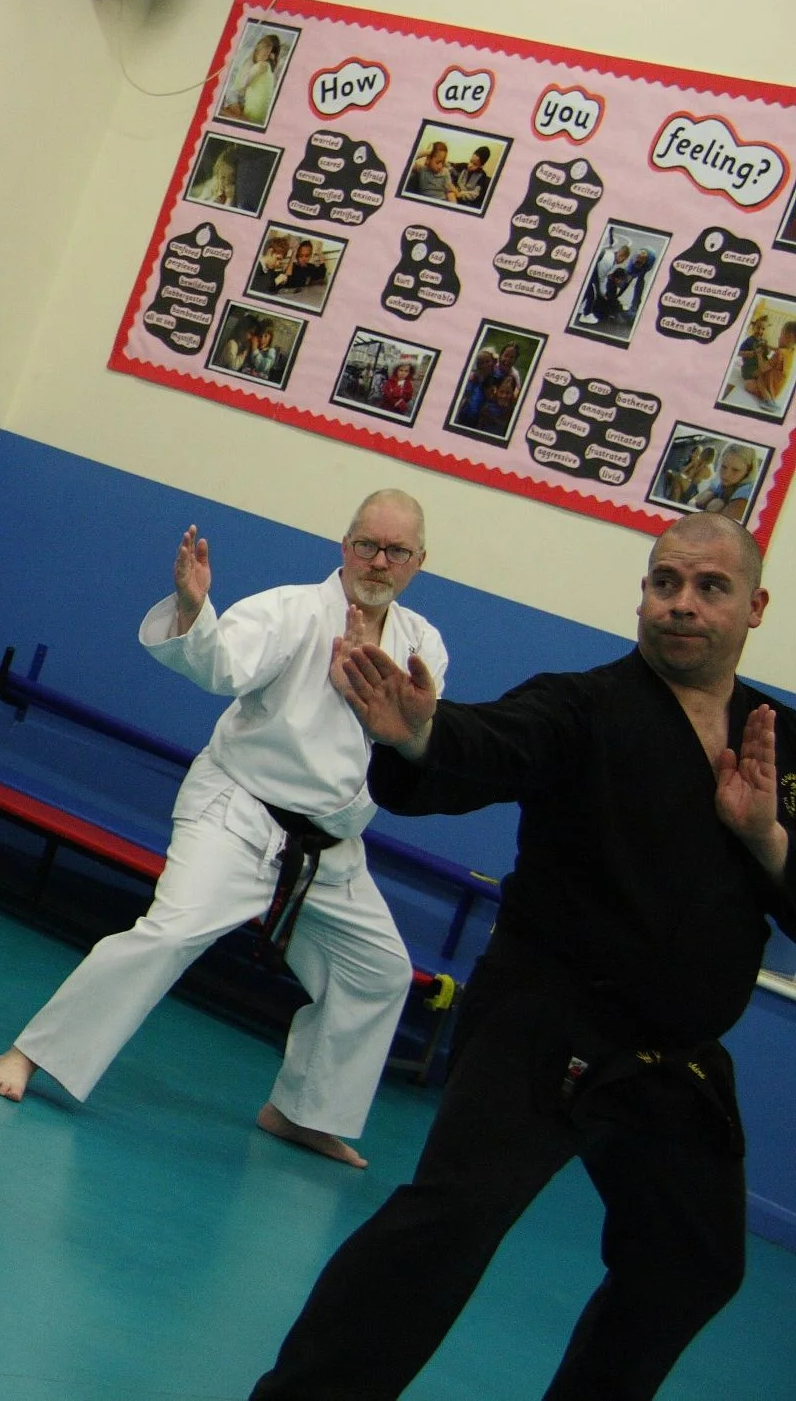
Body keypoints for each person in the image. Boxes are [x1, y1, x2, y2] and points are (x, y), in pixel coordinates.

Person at [253, 511, 796, 1399]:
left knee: (691, 1263)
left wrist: (766, 836)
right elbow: (498, 740)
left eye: (710, 588)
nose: (682, 605)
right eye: (665, 583)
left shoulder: (781, 740)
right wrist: (422, 734)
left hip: (677, 1058)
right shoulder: (588, 707)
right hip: (549, 1025)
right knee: (449, 1222)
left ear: (755, 606)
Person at [0, 492, 447, 1167]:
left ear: (418, 563)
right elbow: (221, 662)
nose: (378, 561)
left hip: (329, 846)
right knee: (171, 929)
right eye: (366, 544)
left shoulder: (422, 645)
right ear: (343, 546)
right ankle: (31, 1052)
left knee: (378, 971)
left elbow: (418, 741)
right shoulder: (292, 611)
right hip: (241, 812)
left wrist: (415, 725)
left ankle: (304, 1112)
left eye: (396, 551)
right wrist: (197, 609)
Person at [691, 442, 759, 522]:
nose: (726, 475)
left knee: (716, 503)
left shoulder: (747, 493)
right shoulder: (718, 481)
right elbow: (693, 502)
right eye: (724, 467)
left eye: (735, 470)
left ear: (748, 470)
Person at [227, 34, 283, 125]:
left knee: (228, 102)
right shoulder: (268, 69)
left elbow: (242, 85)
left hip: (253, 113)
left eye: (267, 54)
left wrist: (242, 89)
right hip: (259, 113)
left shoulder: (261, 65)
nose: (266, 56)